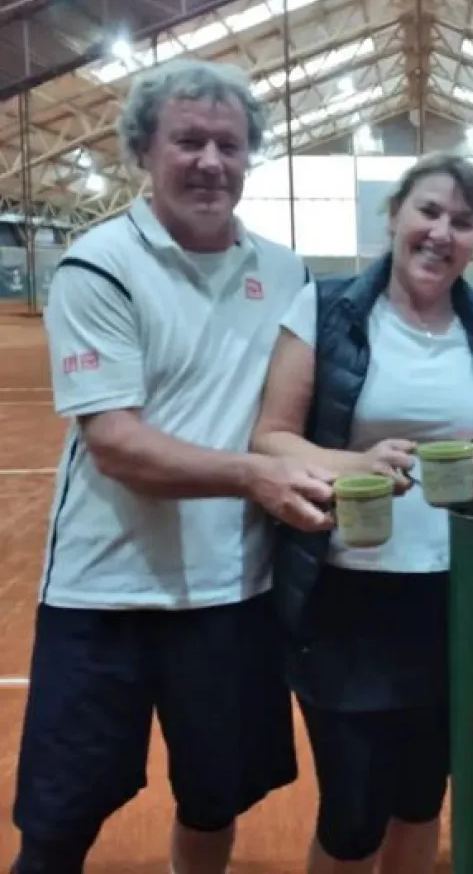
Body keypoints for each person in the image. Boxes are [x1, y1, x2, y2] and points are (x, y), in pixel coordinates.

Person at [11, 59, 336, 874]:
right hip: (105, 594)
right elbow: (116, 443)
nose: (211, 162)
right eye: (188, 141)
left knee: (213, 800)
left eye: (229, 144)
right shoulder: (100, 264)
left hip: (231, 592)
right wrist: (252, 477)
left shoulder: (287, 272)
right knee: (57, 823)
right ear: (143, 151)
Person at [250, 152, 473, 874]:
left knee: (421, 800)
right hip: (345, 598)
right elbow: (270, 438)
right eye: (429, 211)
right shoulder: (324, 308)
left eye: (463, 221)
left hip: (450, 598)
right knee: (353, 817)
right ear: (394, 215)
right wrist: (349, 464)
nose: (442, 232)